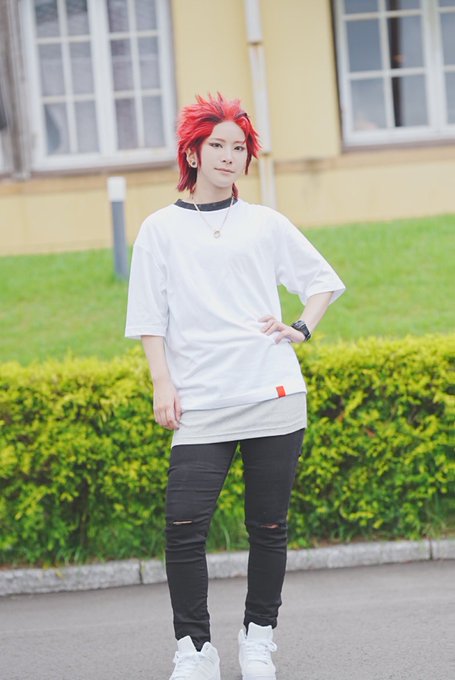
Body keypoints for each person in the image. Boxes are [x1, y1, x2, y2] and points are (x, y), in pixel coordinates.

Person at [125, 93, 345, 680]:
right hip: (201, 403)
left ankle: (258, 637)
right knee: (183, 527)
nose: (228, 155)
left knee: (268, 527)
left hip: (272, 393)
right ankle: (195, 648)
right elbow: (149, 317)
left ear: (248, 158)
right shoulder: (159, 229)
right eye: (216, 145)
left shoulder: (264, 223)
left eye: (239, 147)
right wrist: (162, 384)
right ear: (193, 154)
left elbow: (321, 281)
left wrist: (301, 328)